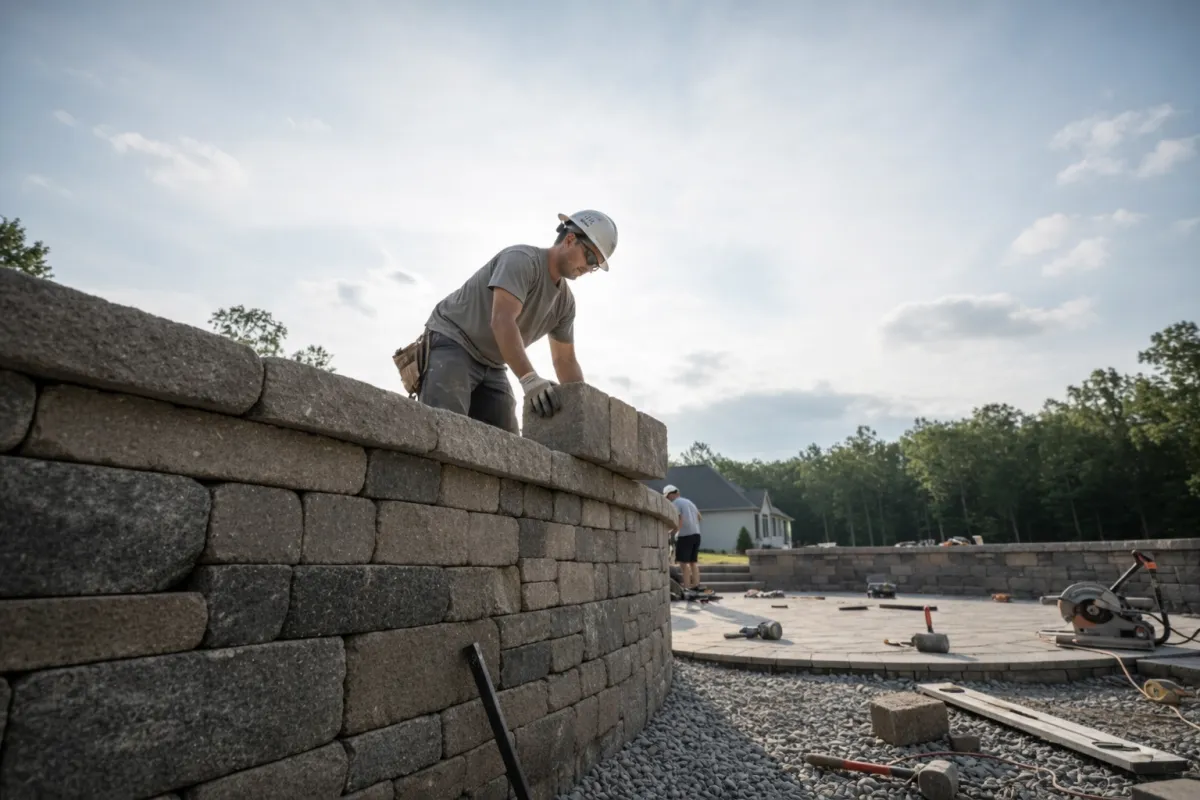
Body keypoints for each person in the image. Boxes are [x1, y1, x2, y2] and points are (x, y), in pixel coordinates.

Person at [416, 210, 618, 433]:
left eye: (596, 266)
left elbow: (565, 361)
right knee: (444, 430)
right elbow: (502, 320)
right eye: (590, 258)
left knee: (507, 444)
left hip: (492, 363)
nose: (590, 269)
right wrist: (530, 381)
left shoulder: (565, 304)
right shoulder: (522, 261)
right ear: (570, 240)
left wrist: (583, 410)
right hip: (453, 340)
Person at [664, 484, 703, 590]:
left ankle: (686, 587)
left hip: (685, 536)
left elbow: (679, 519)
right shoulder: (689, 502)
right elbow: (699, 517)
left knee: (683, 563)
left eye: (667, 497)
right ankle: (696, 585)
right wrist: (691, 524)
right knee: (693, 562)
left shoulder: (676, 503)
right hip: (696, 535)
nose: (668, 499)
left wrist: (673, 532)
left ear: (671, 495)